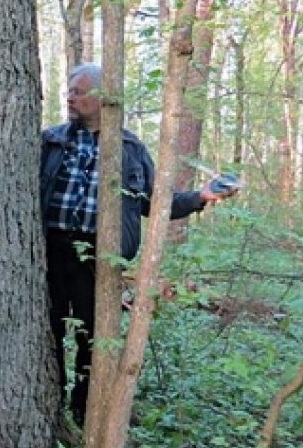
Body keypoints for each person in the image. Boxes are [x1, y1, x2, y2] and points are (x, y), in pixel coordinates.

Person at [40, 63, 237, 426]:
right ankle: (47, 416)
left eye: (79, 91)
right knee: (45, 334)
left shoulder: (129, 149)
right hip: (47, 254)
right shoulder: (51, 142)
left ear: (102, 97)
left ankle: (83, 416)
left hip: (98, 259)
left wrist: (201, 197)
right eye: (69, 90)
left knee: (91, 340)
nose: (70, 97)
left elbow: (153, 203)